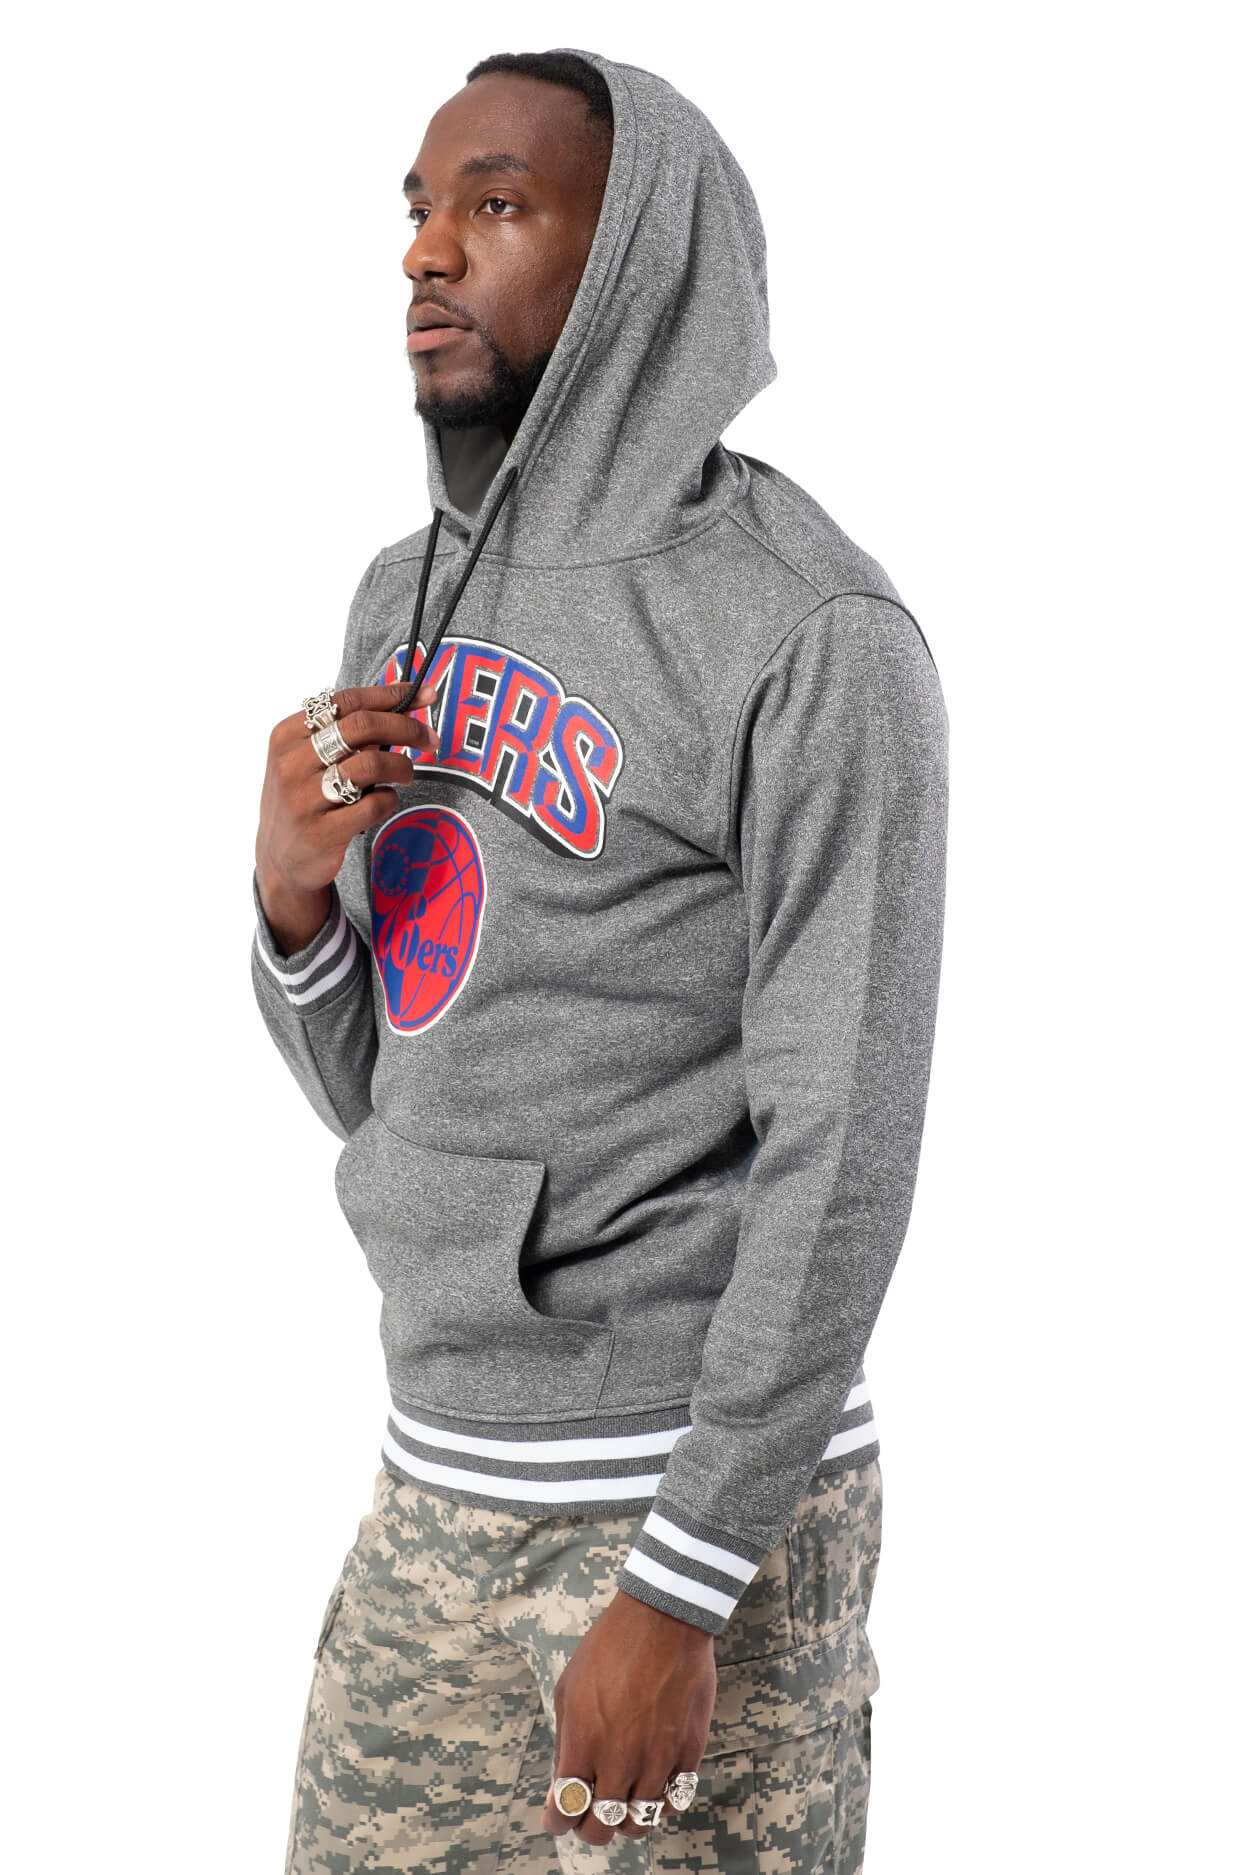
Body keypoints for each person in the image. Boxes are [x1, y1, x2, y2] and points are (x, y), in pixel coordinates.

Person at [251, 44, 948, 1875]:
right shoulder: (405, 598)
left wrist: (686, 1578)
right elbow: (392, 1082)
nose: (426, 252)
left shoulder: (810, 633)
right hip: (432, 1484)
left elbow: (844, 1139)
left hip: (688, 1518)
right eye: (419, 209)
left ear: (633, 252)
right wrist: (292, 907)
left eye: (493, 205)